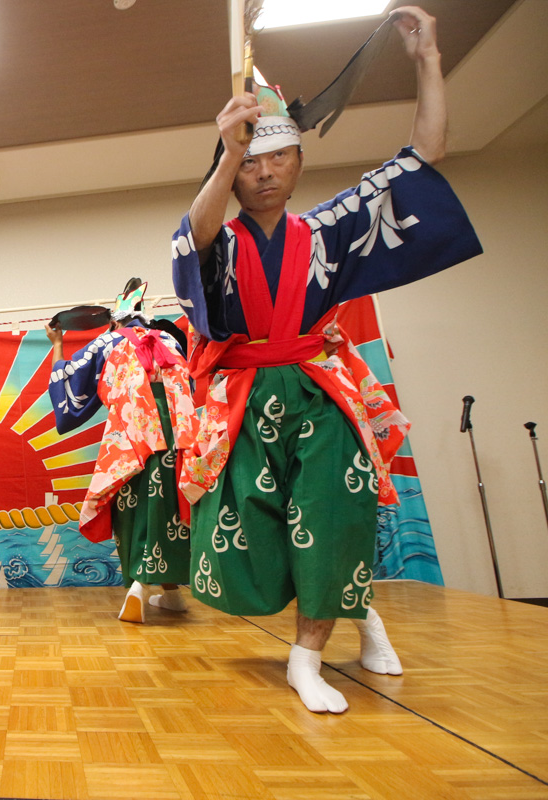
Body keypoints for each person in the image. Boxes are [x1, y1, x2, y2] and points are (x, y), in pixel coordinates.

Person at [171, 6, 482, 714]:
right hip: (246, 400)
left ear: (299, 161)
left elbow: (422, 158)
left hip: (318, 389)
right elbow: (194, 233)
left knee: (333, 511)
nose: (264, 171)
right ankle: (360, 609)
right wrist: (228, 150)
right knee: (255, 529)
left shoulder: (330, 231)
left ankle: (306, 657)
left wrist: (427, 60)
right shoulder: (217, 231)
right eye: (250, 162)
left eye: (278, 156)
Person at [46, 282, 197, 622]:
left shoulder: (108, 341)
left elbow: (69, 382)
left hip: (134, 436)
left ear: (115, 322)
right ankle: (172, 593)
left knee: (136, 507)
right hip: (178, 435)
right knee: (170, 505)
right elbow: (189, 386)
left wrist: (57, 345)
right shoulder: (171, 341)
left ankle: (140, 586)